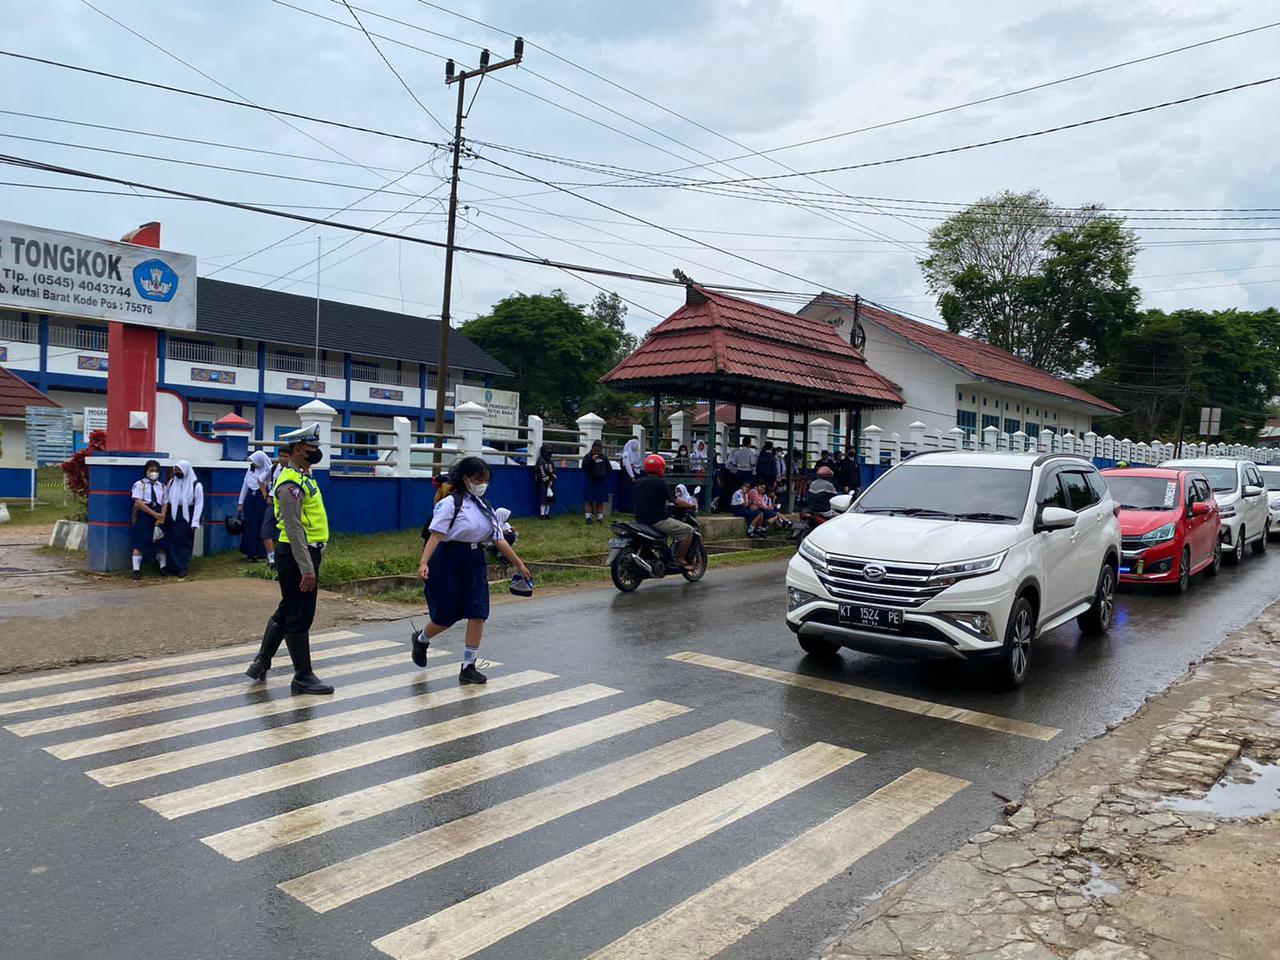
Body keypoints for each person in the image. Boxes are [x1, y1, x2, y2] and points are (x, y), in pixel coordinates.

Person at [410, 457, 532, 684]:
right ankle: (422, 639)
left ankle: (469, 666)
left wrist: (519, 564)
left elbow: (498, 539)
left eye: (486, 480)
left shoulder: (485, 506)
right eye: (479, 479)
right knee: (445, 617)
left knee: (478, 613)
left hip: (474, 560)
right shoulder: (450, 504)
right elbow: (436, 535)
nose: (483, 483)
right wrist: (424, 563)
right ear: (466, 479)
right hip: (447, 560)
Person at [244, 424, 334, 695]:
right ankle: (303, 676)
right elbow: (294, 529)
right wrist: (307, 567)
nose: (316, 453)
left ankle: (260, 662)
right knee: (300, 615)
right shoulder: (290, 484)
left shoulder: (303, 475)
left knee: (289, 607)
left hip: (305, 551)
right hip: (297, 554)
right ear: (298, 450)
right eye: (311, 449)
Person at [634, 453, 697, 571]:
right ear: (660, 467)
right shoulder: (661, 482)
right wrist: (690, 505)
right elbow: (676, 501)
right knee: (688, 531)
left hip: (640, 520)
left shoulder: (639, 482)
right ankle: (679, 559)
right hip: (657, 520)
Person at [129, 460, 169, 580]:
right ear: (146, 471)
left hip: (159, 515)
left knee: (161, 543)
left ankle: (163, 567)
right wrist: (154, 514)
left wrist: (162, 516)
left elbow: (165, 502)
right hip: (146, 514)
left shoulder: (162, 486)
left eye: (156, 471)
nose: (154, 473)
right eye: (151, 470)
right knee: (140, 542)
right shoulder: (140, 484)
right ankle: (136, 570)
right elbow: (138, 502)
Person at [163, 460, 203, 578]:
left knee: (184, 541)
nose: (178, 472)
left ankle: (183, 567)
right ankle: (172, 567)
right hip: (173, 515)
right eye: (176, 470)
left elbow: (199, 504)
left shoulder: (196, 485)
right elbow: (166, 499)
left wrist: (195, 522)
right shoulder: (171, 483)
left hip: (187, 515)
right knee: (172, 540)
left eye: (180, 470)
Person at [237, 451, 272, 561]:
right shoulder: (250, 470)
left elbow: (270, 485)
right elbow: (245, 486)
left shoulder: (269, 471)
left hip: (261, 499)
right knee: (249, 525)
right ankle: (250, 552)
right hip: (250, 500)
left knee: (260, 525)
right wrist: (240, 503)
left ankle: (261, 552)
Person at [261, 445, 290, 571]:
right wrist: (266, 495)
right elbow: (260, 480)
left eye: (285, 457)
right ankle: (271, 558)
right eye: (281, 456)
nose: (282, 459)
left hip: (286, 504)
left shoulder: (293, 471)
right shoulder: (274, 468)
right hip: (272, 503)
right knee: (266, 531)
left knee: (287, 532)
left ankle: (285, 558)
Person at [581, 440, 612, 523]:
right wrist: (592, 460)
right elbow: (584, 466)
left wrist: (605, 474)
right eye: (595, 450)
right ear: (592, 448)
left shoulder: (604, 457)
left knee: (600, 500)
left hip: (601, 481)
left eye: (599, 450)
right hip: (590, 480)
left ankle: (599, 518)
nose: (597, 452)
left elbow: (609, 468)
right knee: (588, 500)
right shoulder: (588, 456)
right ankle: (588, 517)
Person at [533, 445, 557, 520]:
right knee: (543, 498)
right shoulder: (540, 460)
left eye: (550, 450)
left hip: (550, 482)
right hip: (542, 482)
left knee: (549, 498)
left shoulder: (550, 461)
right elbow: (541, 472)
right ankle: (542, 514)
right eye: (548, 450)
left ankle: (547, 514)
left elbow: (554, 471)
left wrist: (552, 480)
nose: (549, 452)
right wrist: (547, 481)